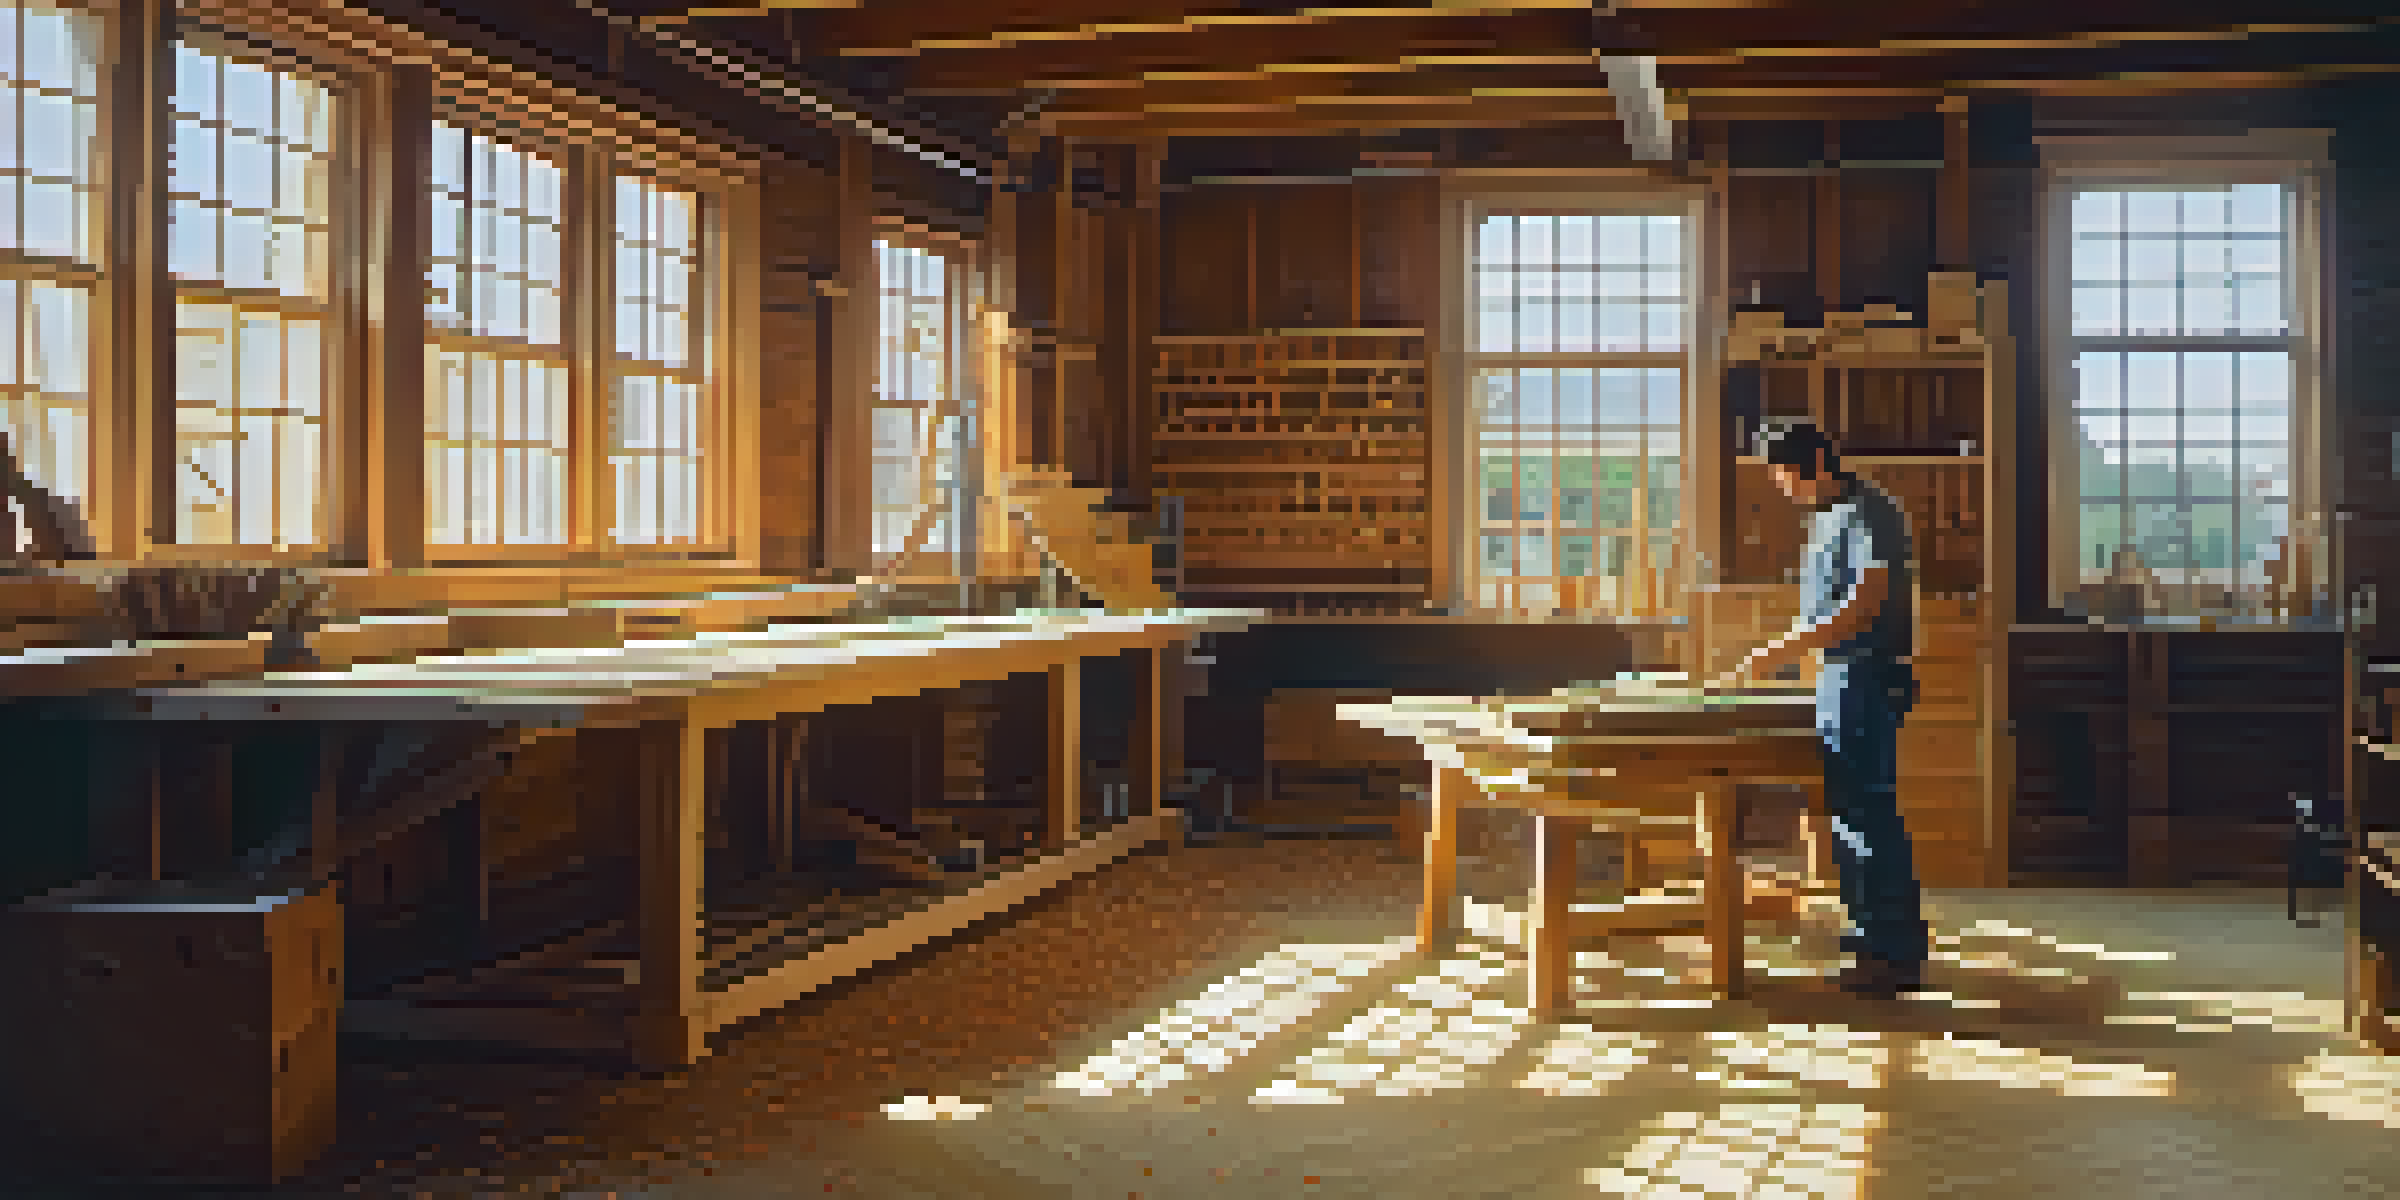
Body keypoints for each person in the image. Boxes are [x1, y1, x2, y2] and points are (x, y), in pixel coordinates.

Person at [1713, 418, 1928, 996]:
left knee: (1867, 814)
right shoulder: (1827, 518)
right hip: (1839, 674)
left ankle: (1894, 952)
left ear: (1809, 466)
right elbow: (1823, 611)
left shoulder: (1869, 514)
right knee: (1848, 814)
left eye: (1782, 476)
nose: (1781, 489)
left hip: (1867, 674)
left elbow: (1864, 605)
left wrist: (1780, 649)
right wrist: (1792, 652)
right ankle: (1870, 940)